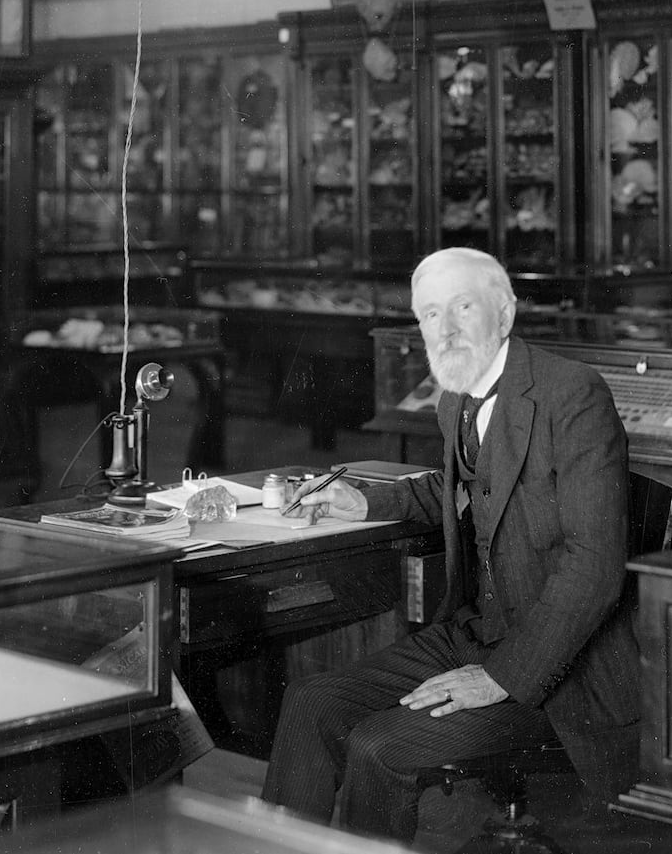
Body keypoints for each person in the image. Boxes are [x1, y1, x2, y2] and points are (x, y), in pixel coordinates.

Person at [260, 247, 637, 844]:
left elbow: (593, 569)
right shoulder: (455, 397)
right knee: (311, 702)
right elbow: (464, 483)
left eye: (464, 307)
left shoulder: (573, 395)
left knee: (378, 747)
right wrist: (366, 501)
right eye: (430, 314)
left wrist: (500, 678)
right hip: (475, 633)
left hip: (558, 668)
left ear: (505, 314)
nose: (447, 328)